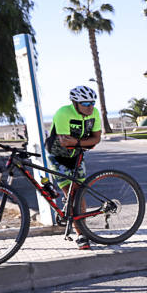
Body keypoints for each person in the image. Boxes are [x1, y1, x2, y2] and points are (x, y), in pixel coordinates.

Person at [46, 85, 104, 250]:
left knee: (79, 194)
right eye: (86, 103)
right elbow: (65, 142)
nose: (90, 106)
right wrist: (84, 143)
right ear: (75, 103)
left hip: (77, 154)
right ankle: (81, 235)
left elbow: (96, 139)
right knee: (71, 192)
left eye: (92, 102)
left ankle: (81, 230)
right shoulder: (63, 113)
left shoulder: (94, 113)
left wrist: (78, 143)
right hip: (59, 156)